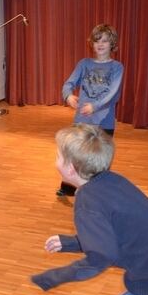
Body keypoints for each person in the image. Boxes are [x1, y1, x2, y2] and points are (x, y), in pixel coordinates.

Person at [32, 124, 148, 295]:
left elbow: (101, 257)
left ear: (70, 168)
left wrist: (53, 277)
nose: (54, 160)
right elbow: (114, 232)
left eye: (57, 156)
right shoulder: (113, 180)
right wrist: (72, 243)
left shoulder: (88, 202)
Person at [57, 24, 124, 197]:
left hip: (104, 121)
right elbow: (69, 83)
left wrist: (94, 106)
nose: (100, 44)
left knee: (101, 158)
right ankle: (69, 186)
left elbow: (113, 93)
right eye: (97, 41)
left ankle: (99, 191)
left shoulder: (117, 67)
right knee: (75, 152)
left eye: (105, 41)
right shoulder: (84, 64)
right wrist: (68, 96)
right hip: (82, 120)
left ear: (112, 44)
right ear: (91, 44)